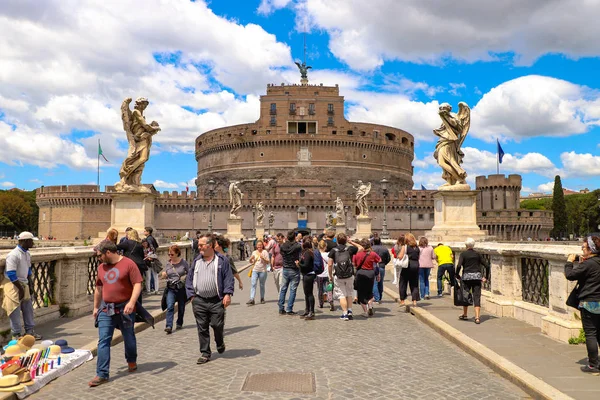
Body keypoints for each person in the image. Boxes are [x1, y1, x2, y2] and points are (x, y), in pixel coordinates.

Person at [89, 241, 143, 387]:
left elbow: (138, 283)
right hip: (106, 309)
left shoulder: (128, 264)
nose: (98, 258)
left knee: (129, 336)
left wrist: (132, 303)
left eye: (100, 255)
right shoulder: (101, 267)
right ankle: (102, 374)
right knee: (103, 340)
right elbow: (99, 288)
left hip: (125, 308)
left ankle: (131, 360)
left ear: (108, 252)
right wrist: (95, 307)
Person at [186, 234, 235, 365]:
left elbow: (228, 278)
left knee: (217, 325)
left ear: (210, 246)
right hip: (199, 300)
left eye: (201, 245)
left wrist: (227, 294)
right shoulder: (196, 261)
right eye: (199, 244)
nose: (199, 247)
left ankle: (219, 342)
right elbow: (189, 279)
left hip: (216, 300)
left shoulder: (221, 261)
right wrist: (191, 296)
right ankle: (205, 352)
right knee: (202, 327)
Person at [565, 235, 600, 374]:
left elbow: (570, 275)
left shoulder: (588, 264)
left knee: (591, 334)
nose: (582, 249)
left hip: (589, 303)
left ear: (590, 249)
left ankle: (593, 365)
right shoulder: (594, 262)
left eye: (583, 247)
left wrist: (569, 262)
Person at [3, 232, 42, 340]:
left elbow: (28, 271)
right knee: (14, 309)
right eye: (31, 241)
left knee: (28, 308)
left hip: (23, 283)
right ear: (24, 241)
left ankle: (30, 332)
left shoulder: (27, 254)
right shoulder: (14, 255)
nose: (32, 243)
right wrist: (20, 289)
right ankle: (17, 334)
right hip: (13, 284)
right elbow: (11, 273)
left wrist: (29, 285)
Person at [455, 238, 489, 324]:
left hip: (466, 277)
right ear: (473, 245)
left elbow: (459, 265)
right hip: (477, 277)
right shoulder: (477, 254)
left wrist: (457, 274)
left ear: (466, 245)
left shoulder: (463, 254)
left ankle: (465, 314)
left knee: (465, 295)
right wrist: (486, 277)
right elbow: (487, 266)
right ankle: (477, 317)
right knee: (476, 296)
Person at [328, 233, 361, 321]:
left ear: (337, 241)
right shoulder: (350, 249)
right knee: (349, 293)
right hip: (349, 275)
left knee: (341, 294)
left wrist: (330, 275)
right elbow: (361, 248)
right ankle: (350, 311)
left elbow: (330, 264)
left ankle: (344, 313)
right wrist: (351, 242)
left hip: (338, 276)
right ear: (346, 240)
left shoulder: (333, 250)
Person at [160, 245, 189, 334]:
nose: (170, 256)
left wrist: (185, 280)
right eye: (169, 254)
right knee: (170, 306)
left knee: (181, 307)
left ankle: (179, 322)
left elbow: (190, 273)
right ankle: (169, 325)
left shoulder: (183, 262)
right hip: (171, 288)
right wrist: (164, 275)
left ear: (177, 253)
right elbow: (165, 274)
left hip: (180, 288)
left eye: (172, 254)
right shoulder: (168, 264)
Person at [353, 239, 382, 317]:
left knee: (361, 293)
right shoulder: (373, 254)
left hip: (360, 273)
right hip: (370, 273)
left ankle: (365, 311)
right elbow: (379, 260)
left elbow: (354, 264)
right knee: (369, 291)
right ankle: (370, 304)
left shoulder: (357, 254)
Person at [118, 229, 148, 301]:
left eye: (127, 234)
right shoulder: (139, 244)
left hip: (130, 265)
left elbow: (115, 247)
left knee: (128, 284)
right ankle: (138, 302)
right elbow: (142, 256)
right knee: (137, 284)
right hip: (139, 266)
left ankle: (130, 301)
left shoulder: (127, 243)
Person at [278, 230, 302, 315]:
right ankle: (289, 308)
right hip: (294, 269)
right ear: (295, 237)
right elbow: (300, 256)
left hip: (285, 269)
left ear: (287, 237)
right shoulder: (298, 246)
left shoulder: (282, 246)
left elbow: (281, 254)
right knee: (292, 290)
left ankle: (281, 308)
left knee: (283, 289)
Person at [397, 233, 420, 307]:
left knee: (403, 283)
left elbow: (400, 256)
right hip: (416, 265)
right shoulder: (417, 247)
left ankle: (402, 300)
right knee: (414, 284)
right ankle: (414, 301)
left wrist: (398, 255)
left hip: (407, 266)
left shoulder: (405, 246)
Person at [297, 238, 317, 320]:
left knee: (309, 294)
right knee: (306, 293)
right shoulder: (306, 252)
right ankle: (307, 310)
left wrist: (298, 264)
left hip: (309, 275)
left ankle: (311, 312)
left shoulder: (308, 253)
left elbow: (306, 265)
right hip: (306, 275)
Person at [247, 241, 269, 305]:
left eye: (260, 245)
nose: (259, 247)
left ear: (262, 246)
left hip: (262, 271)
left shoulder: (265, 252)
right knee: (253, 284)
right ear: (256, 246)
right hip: (255, 270)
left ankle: (262, 298)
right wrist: (250, 259)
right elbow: (252, 262)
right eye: (258, 245)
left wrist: (263, 258)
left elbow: (268, 262)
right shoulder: (254, 252)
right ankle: (252, 299)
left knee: (262, 285)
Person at [371, 236, 391, 304]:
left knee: (374, 283)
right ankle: (380, 296)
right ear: (380, 241)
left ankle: (377, 298)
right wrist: (384, 263)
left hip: (373, 267)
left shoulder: (371, 249)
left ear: (373, 241)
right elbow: (388, 258)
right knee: (380, 282)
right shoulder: (385, 248)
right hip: (382, 266)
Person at [317, 240, 334, 311]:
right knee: (329, 289)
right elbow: (331, 264)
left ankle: (321, 303)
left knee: (320, 290)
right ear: (325, 247)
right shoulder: (328, 254)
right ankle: (331, 302)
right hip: (328, 275)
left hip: (319, 275)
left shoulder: (317, 255)